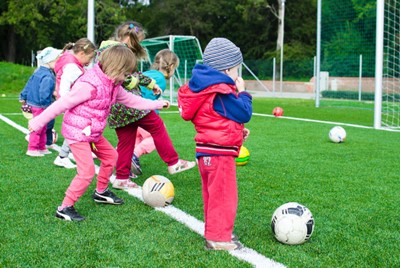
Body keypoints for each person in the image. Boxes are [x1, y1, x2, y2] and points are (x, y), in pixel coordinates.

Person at [28, 45, 170, 221]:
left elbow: (131, 100)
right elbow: (61, 104)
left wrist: (156, 104)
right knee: (86, 172)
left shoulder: (113, 84)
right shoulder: (89, 85)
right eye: (126, 74)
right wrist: (38, 122)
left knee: (111, 157)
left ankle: (101, 192)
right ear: (115, 68)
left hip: (92, 132)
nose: (128, 78)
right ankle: (64, 207)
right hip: (77, 133)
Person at [99, 21, 195, 190]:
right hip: (130, 103)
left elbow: (133, 74)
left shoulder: (107, 50)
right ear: (129, 38)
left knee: (126, 141)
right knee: (157, 126)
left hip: (116, 108)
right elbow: (125, 78)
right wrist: (142, 87)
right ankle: (173, 162)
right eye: (137, 40)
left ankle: (121, 178)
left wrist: (151, 84)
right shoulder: (118, 52)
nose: (138, 45)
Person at [177, 38, 252, 251]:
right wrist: (243, 92)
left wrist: (237, 132)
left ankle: (215, 231)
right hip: (219, 155)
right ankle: (218, 238)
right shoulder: (221, 91)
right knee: (224, 196)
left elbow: (215, 119)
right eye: (237, 70)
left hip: (206, 151)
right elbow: (244, 111)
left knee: (212, 195)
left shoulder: (204, 89)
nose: (238, 75)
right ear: (227, 69)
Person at [131, 49, 180, 176]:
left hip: (130, 111)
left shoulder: (149, 73)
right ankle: (133, 156)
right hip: (142, 112)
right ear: (172, 66)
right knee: (155, 137)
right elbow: (146, 97)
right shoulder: (161, 80)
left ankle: (123, 160)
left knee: (135, 139)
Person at [53, 38, 96, 169]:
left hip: (72, 102)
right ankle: (62, 157)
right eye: (89, 58)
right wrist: (69, 103)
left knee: (84, 127)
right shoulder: (72, 67)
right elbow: (64, 87)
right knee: (77, 129)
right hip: (72, 103)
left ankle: (84, 150)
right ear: (82, 54)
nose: (89, 62)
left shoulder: (73, 62)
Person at [19, 47, 62, 157]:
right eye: (57, 61)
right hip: (41, 105)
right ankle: (32, 148)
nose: (58, 63)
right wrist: (48, 106)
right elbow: (44, 93)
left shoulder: (38, 71)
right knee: (39, 127)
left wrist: (23, 96)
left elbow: (29, 84)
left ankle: (41, 147)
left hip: (35, 103)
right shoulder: (48, 76)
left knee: (43, 127)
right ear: (50, 61)